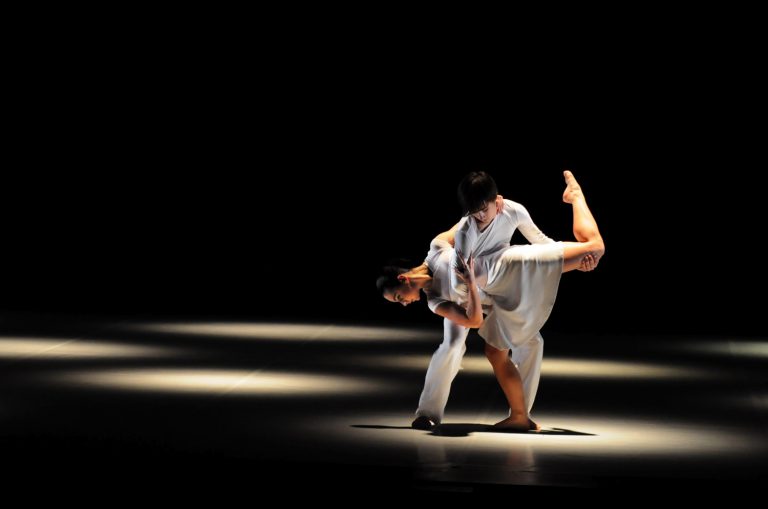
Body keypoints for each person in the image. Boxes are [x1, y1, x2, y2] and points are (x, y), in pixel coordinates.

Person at [377, 171, 604, 431]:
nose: (403, 304)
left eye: (398, 297)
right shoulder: (434, 299)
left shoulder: (437, 246)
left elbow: (465, 226)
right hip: (468, 301)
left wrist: (558, 262)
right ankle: (427, 413)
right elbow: (468, 236)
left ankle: (521, 415)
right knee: (451, 345)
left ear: (404, 278)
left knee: (532, 342)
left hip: (494, 289)